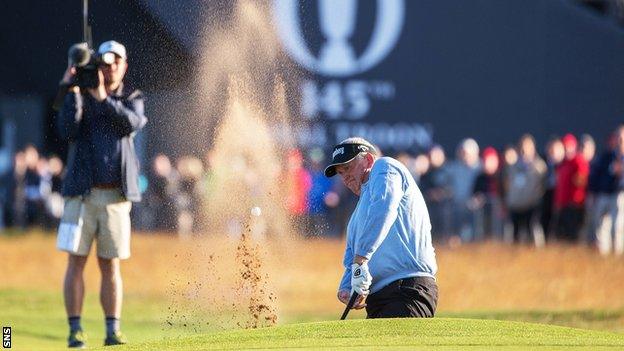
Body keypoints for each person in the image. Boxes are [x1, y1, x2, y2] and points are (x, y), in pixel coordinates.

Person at [56, 40, 147, 348]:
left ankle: (112, 331)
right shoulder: (80, 94)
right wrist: (73, 90)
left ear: (124, 64)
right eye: (105, 62)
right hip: (80, 197)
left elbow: (130, 123)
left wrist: (103, 96)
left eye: (116, 61)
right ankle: (75, 330)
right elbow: (67, 129)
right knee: (76, 261)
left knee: (111, 265)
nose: (110, 67)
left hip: (114, 198)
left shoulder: (131, 97)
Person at [325, 137, 438, 318]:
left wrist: (360, 260)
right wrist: (346, 288)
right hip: (378, 299)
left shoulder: (385, 167)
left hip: (406, 290)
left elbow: (384, 209)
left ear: (368, 160)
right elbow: (352, 259)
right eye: (340, 172)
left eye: (347, 168)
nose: (344, 177)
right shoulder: (356, 216)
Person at [504, 134, 546, 245]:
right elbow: (507, 185)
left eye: (527, 148)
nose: (524, 151)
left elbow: (542, 185)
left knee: (532, 234)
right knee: (515, 236)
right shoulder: (512, 167)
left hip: (531, 206)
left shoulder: (539, 167)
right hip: (515, 206)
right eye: (522, 147)